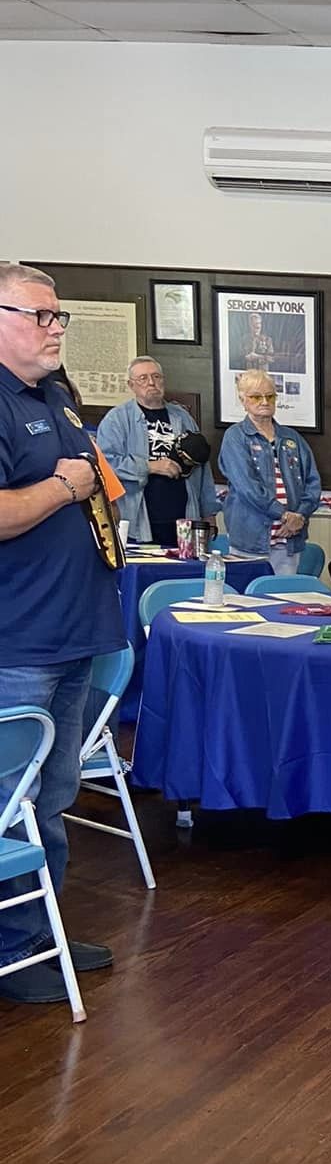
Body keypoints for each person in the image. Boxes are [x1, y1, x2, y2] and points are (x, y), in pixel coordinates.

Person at [0, 261, 126, 1006]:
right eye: (39, 316)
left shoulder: (54, 397)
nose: (55, 329)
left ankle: (37, 931)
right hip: (21, 641)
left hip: (75, 632)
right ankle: (11, 948)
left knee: (51, 797)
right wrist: (63, 487)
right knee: (10, 801)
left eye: (58, 317)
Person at [97, 358, 218, 545]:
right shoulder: (116, 420)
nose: (151, 383)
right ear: (131, 385)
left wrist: (209, 513)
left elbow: (202, 467)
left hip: (184, 520)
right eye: (143, 378)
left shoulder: (183, 417)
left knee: (183, 572)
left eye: (156, 376)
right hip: (139, 522)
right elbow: (106, 464)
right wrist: (148, 466)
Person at [217, 370, 321, 573]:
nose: (264, 401)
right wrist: (284, 515)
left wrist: (299, 515)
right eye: (256, 396)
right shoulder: (235, 437)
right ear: (243, 400)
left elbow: (313, 482)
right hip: (250, 541)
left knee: (284, 599)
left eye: (270, 396)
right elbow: (247, 487)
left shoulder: (292, 438)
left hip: (289, 539)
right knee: (249, 600)